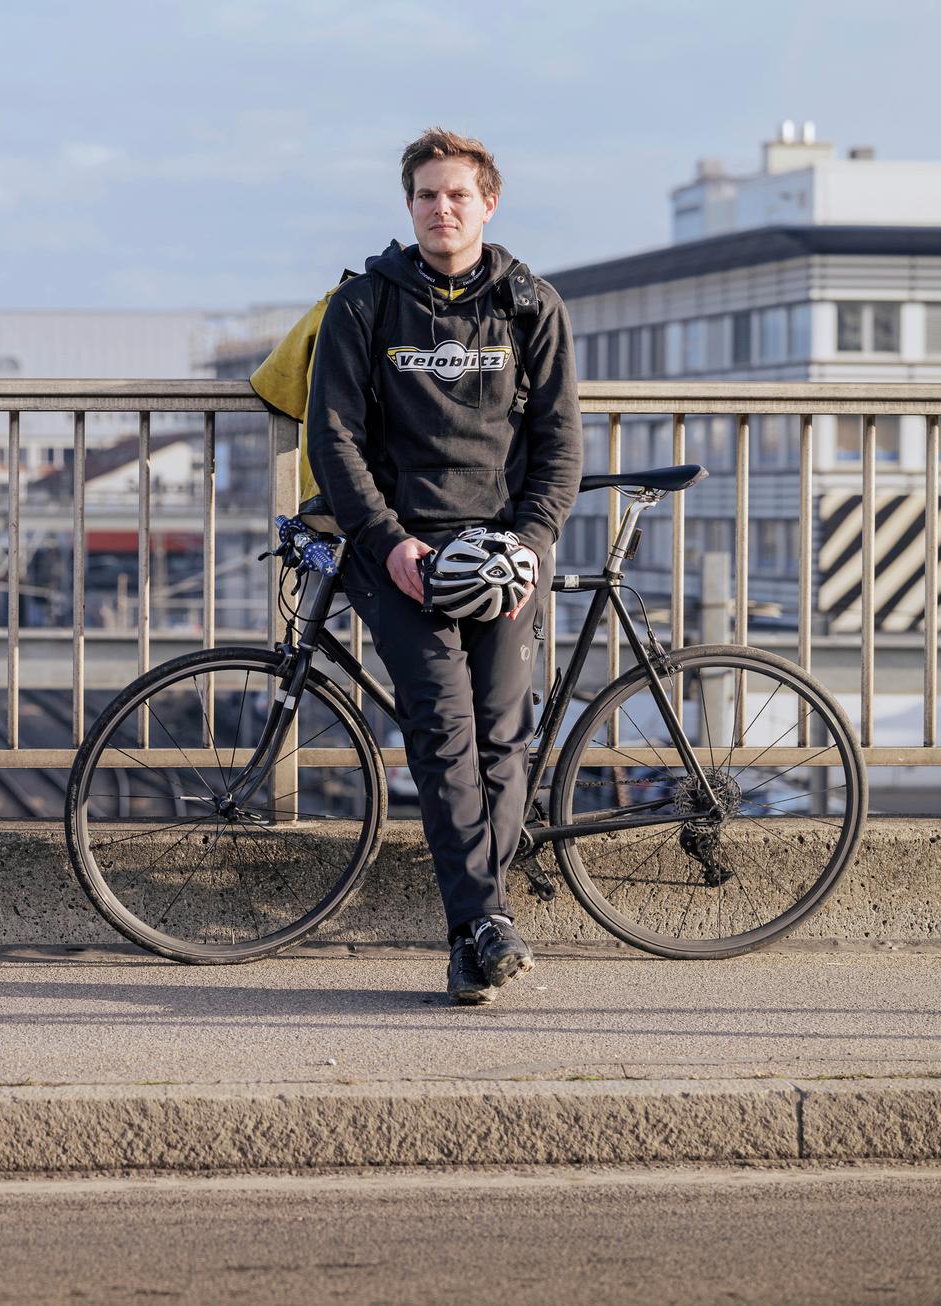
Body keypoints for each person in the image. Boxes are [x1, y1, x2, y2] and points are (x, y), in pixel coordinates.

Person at [305, 127, 583, 1005]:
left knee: (503, 737)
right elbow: (334, 438)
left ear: (487, 202)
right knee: (442, 732)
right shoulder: (362, 306)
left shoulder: (531, 304)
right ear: (409, 206)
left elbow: (560, 443)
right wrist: (389, 545)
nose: (441, 208)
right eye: (426, 195)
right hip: (398, 554)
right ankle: (484, 926)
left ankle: (475, 931)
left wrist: (530, 546)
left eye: (457, 194)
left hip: (500, 556)